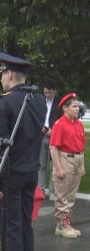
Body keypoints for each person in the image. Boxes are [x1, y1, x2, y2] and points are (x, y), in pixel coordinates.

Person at [0, 52, 46, 251]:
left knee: (10, 227)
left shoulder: (5, 103)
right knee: (24, 224)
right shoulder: (39, 100)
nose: (1, 78)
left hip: (10, 175)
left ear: (9, 74)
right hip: (31, 171)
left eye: (2, 73)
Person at [50, 93, 85, 239]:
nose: (77, 109)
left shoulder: (79, 124)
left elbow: (81, 146)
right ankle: (62, 224)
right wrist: (58, 168)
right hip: (65, 158)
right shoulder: (60, 124)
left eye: (78, 106)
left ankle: (65, 223)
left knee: (71, 194)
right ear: (65, 108)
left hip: (77, 158)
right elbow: (54, 147)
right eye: (74, 106)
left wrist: (82, 165)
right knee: (62, 193)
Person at [38, 81, 61, 199]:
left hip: (54, 136)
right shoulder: (39, 101)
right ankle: (40, 190)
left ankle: (52, 191)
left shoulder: (59, 103)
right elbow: (35, 116)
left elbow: (61, 120)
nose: (47, 95)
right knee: (41, 164)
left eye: (49, 92)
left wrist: (54, 130)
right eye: (45, 92)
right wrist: (40, 127)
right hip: (41, 135)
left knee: (53, 165)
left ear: (54, 91)